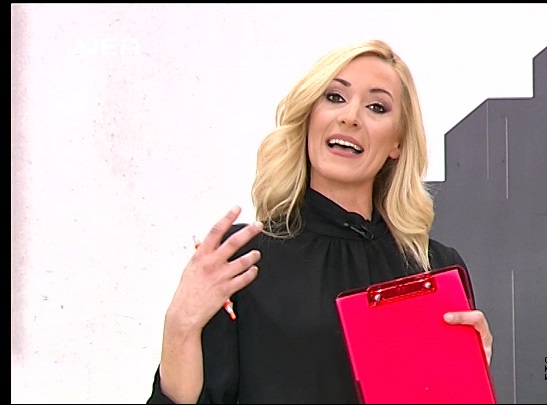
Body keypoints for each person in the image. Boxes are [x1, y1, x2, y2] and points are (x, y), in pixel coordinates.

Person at [147, 39, 493, 404]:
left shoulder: (434, 267)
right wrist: (180, 326)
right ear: (310, 116)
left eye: (376, 107)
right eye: (335, 97)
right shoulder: (242, 258)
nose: (351, 117)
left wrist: (469, 379)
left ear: (397, 143)